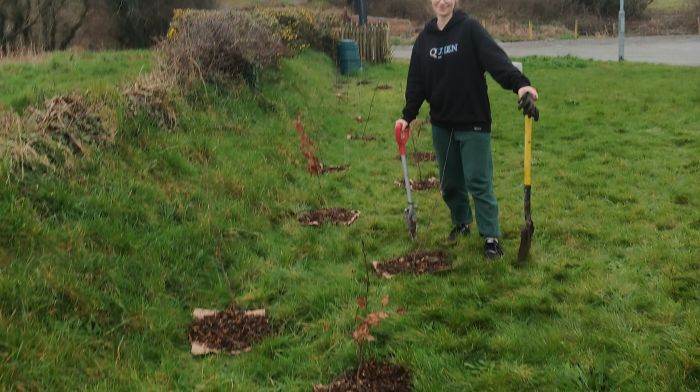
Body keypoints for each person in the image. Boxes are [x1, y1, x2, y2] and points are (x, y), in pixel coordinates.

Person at [395, 0, 540, 259]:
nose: (442, 2)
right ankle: (461, 222)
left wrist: (521, 85)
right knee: (450, 183)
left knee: (478, 180)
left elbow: (497, 61)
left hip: (473, 121)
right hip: (441, 124)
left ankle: (491, 237)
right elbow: (416, 81)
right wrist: (408, 116)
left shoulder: (470, 29)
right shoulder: (424, 40)